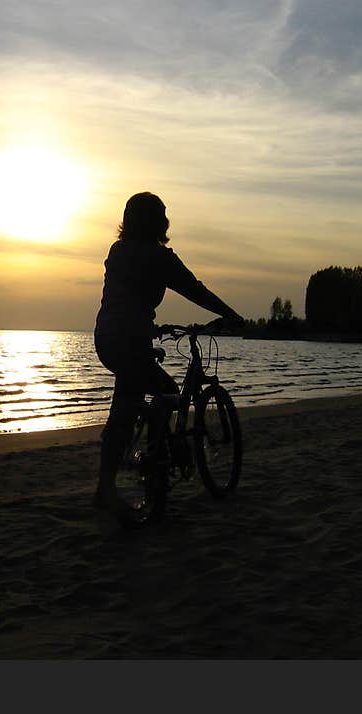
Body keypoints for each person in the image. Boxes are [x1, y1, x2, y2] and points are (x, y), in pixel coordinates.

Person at [93, 192, 243, 512]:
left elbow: (125, 299)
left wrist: (150, 329)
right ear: (153, 221)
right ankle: (123, 483)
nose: (166, 219)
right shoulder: (160, 259)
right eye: (162, 214)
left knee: (156, 393)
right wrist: (231, 315)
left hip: (107, 338)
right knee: (133, 403)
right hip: (130, 339)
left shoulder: (117, 251)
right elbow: (196, 290)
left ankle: (149, 470)